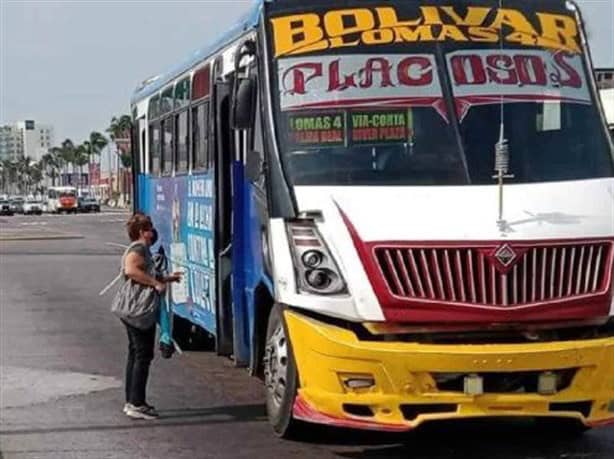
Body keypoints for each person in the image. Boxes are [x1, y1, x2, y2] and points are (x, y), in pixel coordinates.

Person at [121, 213, 182, 420]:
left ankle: (132, 400)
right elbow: (131, 270)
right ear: (141, 232)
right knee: (142, 355)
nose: (152, 232)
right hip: (139, 310)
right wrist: (156, 283)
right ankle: (136, 403)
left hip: (135, 310)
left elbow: (145, 273)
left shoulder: (143, 249)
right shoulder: (138, 249)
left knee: (135, 354)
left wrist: (166, 279)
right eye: (149, 229)